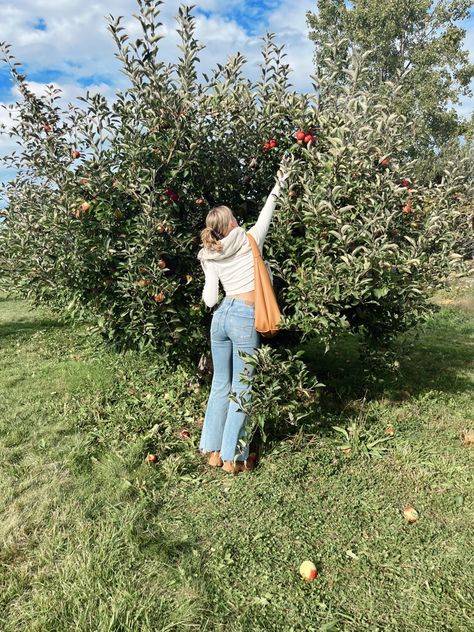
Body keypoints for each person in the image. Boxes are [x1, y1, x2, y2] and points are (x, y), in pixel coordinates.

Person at [197, 156, 291, 474]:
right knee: (243, 386)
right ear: (233, 223)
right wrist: (281, 179)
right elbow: (269, 208)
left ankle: (212, 451)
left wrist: (209, 267)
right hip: (244, 315)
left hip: (220, 317)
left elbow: (210, 299)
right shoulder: (250, 240)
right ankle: (233, 458)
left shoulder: (211, 253)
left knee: (220, 382)